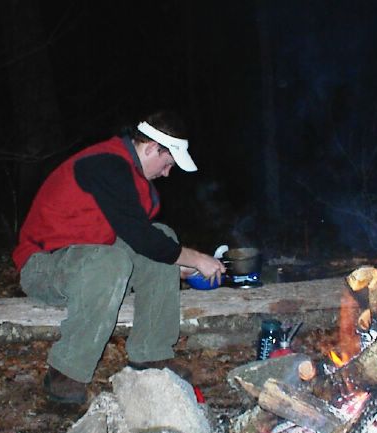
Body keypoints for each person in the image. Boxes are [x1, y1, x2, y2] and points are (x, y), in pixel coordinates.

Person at [12, 111, 225, 404]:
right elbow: (139, 237)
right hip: (44, 266)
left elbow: (146, 243)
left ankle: (152, 356)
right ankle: (66, 373)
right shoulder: (105, 163)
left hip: (89, 262)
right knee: (115, 260)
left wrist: (178, 268)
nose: (167, 173)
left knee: (162, 235)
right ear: (151, 148)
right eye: (167, 164)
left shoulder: (131, 176)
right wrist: (198, 258)